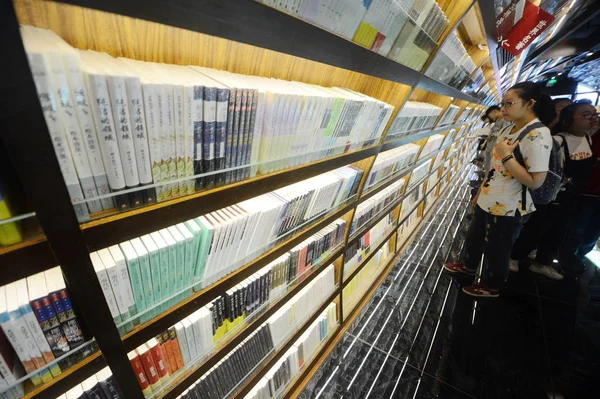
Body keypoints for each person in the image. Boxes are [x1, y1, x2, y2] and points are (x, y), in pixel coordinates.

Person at [444, 82, 553, 297]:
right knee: (474, 236)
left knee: (498, 248)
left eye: (510, 103)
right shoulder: (509, 127)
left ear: (530, 103)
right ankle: (468, 266)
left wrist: (506, 156)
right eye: (503, 103)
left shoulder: (538, 135)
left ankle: (491, 286)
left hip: (508, 206)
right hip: (489, 196)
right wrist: (479, 191)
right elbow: (493, 166)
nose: (503, 109)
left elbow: (535, 181)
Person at [511, 103, 598, 279]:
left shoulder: (588, 139)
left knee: (558, 231)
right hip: (552, 195)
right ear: (569, 120)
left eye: (594, 114)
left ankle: (542, 262)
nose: (593, 118)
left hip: (572, 196)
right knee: (537, 227)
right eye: (586, 115)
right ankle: (514, 257)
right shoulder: (558, 141)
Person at [558, 111, 600, 275]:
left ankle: (577, 258)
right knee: (578, 228)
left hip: (591, 191)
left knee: (592, 232)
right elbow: (586, 160)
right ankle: (568, 258)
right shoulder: (591, 135)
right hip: (587, 190)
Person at [482, 105, 511, 172]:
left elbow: (504, 134)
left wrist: (491, 136)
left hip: (495, 148)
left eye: (489, 115)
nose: (490, 118)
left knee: (492, 167)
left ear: (494, 112)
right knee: (488, 165)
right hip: (491, 147)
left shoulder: (505, 120)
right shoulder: (498, 120)